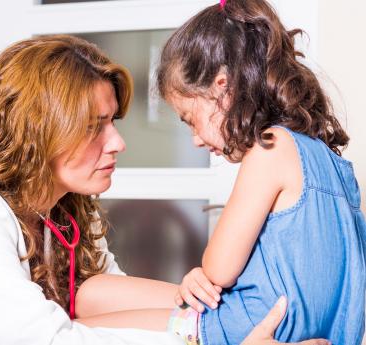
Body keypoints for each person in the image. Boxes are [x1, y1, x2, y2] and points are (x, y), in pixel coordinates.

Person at [0, 34, 326, 345]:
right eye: (92, 125)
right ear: (36, 131)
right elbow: (48, 340)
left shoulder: (63, 212)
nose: (117, 143)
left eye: (112, 121)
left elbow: (110, 303)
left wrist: (215, 309)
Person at [154, 0, 365, 344]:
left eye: (190, 119)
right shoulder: (333, 165)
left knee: (88, 317)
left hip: (236, 331)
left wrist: (200, 273)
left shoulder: (271, 147)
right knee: (95, 296)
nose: (194, 140)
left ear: (221, 86)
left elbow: (218, 270)